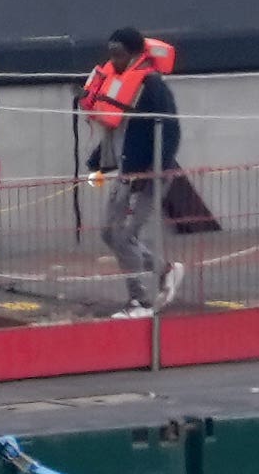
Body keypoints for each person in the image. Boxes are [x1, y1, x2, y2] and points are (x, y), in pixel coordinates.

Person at [81, 27, 187, 317]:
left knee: (126, 235)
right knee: (108, 233)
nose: (113, 60)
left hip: (150, 175)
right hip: (126, 172)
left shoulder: (152, 85)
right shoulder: (120, 82)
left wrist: (153, 171)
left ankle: (138, 302)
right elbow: (119, 130)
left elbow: (170, 131)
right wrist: (97, 162)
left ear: (135, 54)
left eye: (119, 53)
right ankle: (166, 269)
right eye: (111, 54)